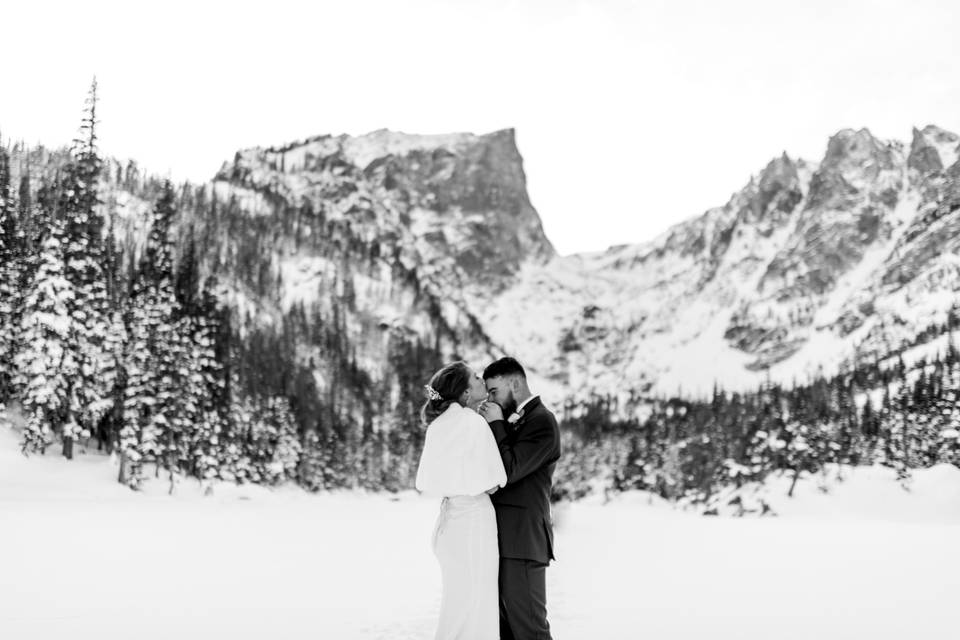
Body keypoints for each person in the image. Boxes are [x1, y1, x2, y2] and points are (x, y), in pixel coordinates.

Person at [415, 361, 507, 640]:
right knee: (478, 604)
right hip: (474, 523)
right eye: (476, 378)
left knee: (457, 603)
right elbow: (495, 481)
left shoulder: (437, 426)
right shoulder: (473, 423)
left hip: (448, 525)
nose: (482, 381)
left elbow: (426, 482)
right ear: (466, 393)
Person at [478, 357, 561, 640]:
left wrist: (498, 423)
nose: (491, 399)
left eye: (494, 391)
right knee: (506, 631)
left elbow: (509, 470)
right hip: (502, 541)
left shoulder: (542, 421)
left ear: (514, 383)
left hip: (523, 543)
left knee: (531, 632)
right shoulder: (514, 420)